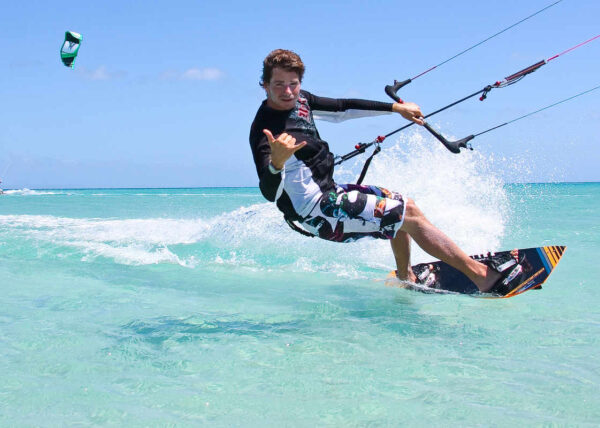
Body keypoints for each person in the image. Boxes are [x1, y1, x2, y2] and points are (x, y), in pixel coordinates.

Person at [249, 49, 512, 293]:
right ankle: (482, 277)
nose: (287, 91)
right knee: (407, 215)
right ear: (264, 85)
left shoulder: (302, 101)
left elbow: (342, 107)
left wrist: (396, 108)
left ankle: (405, 277)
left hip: (331, 193)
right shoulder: (265, 131)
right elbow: (269, 193)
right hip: (317, 213)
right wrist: (277, 163)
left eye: (293, 84)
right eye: (278, 85)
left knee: (404, 204)